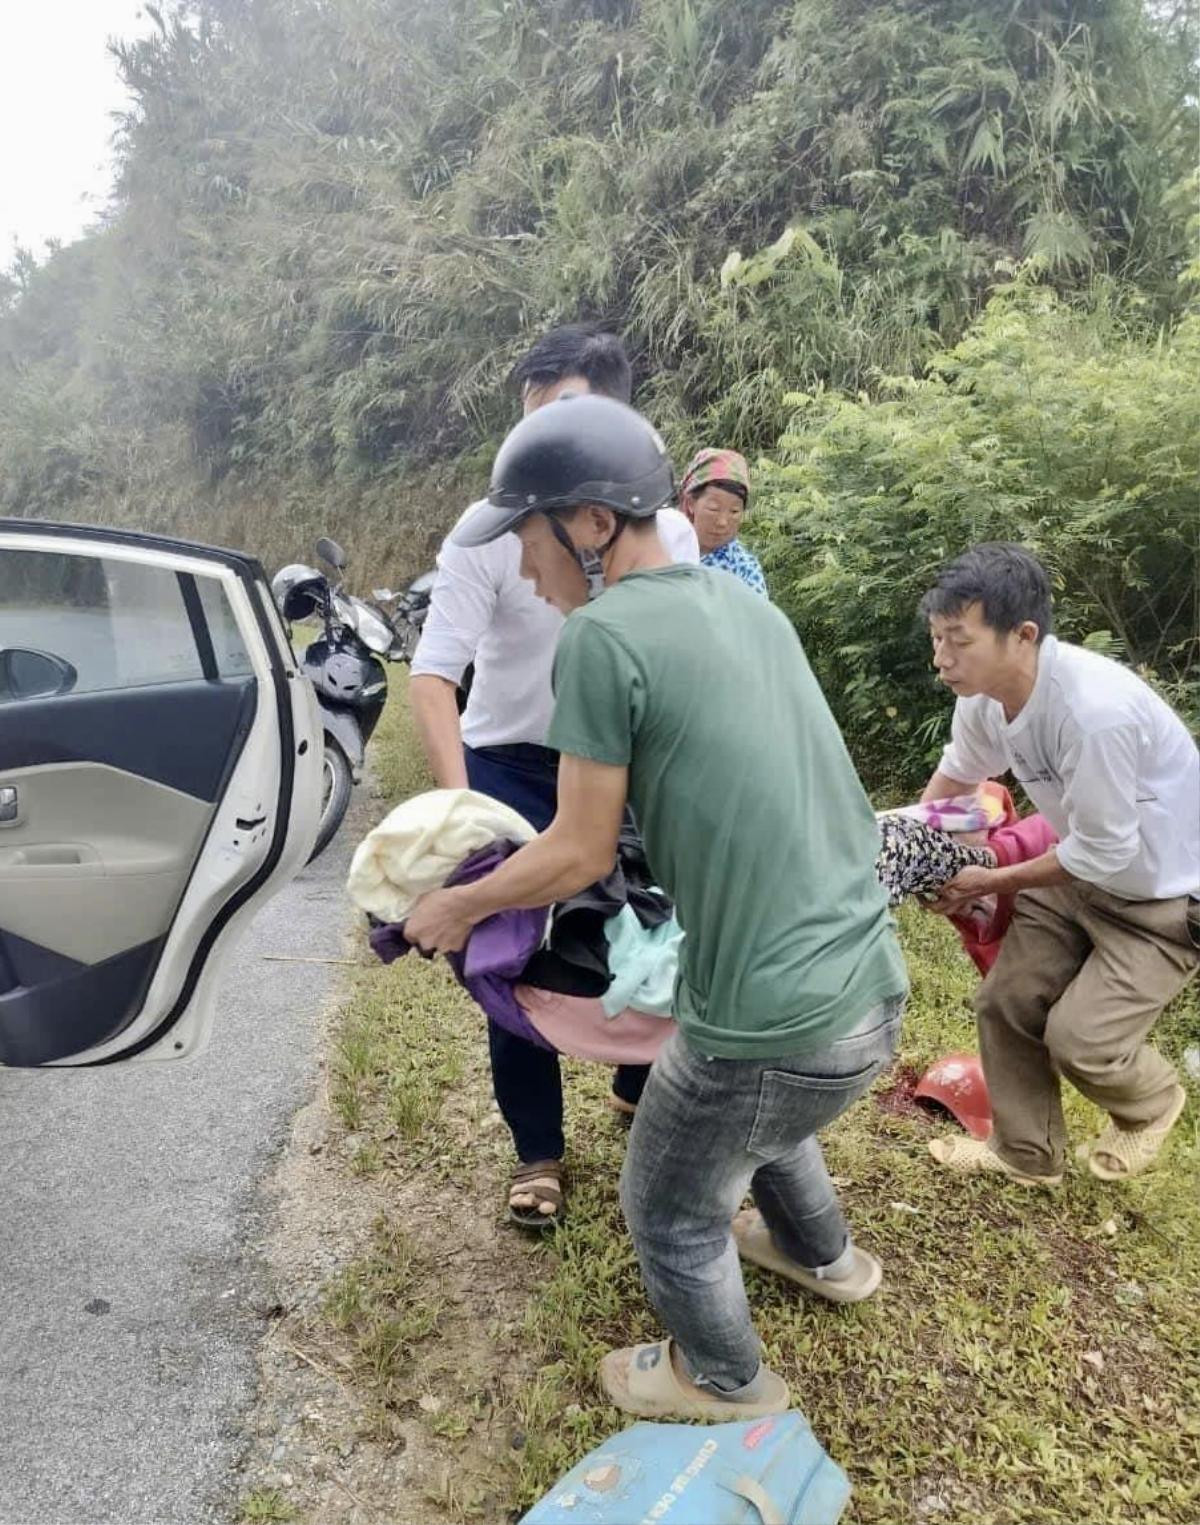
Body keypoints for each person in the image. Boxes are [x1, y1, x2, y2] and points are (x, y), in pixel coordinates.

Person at [405, 396, 908, 1421]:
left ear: (590, 525)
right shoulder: (747, 608)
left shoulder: (600, 640)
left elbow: (580, 848)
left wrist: (458, 910)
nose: (527, 572)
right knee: (754, 1118)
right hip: (869, 987)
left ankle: (721, 1379)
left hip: (772, 1026)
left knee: (668, 1198)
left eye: (529, 541)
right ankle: (830, 1260)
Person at [409, 324, 699, 1228]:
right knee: (512, 949)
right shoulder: (490, 530)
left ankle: (637, 1079)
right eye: (530, 423)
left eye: (566, 418)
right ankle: (537, 1148)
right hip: (514, 764)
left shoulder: (670, 534)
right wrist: (464, 807)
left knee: (649, 931)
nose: (543, 446)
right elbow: (433, 674)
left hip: (628, 761)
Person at [919, 544, 1199, 1185]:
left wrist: (989, 879)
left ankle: (1152, 1104)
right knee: (1006, 1002)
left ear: (1022, 635)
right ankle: (1025, 1154)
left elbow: (1108, 851)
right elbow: (958, 780)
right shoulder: (984, 698)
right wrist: (906, 848)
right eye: (937, 639)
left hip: (1161, 901)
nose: (941, 659)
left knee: (1082, 1041)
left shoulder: (1093, 713)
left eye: (958, 640)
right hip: (1075, 876)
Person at [679, 447, 767, 595]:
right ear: (690, 503)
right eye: (713, 509)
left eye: (734, 511)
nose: (722, 522)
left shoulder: (745, 570)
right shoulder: (663, 548)